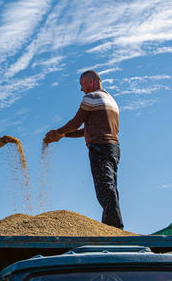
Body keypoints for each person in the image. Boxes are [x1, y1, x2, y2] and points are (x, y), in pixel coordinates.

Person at [44, 70, 124, 229]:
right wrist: (64, 135)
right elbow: (84, 131)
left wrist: (58, 132)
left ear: (91, 82)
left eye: (82, 85)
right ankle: (109, 227)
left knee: (105, 189)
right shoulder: (111, 101)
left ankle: (115, 228)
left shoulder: (91, 97)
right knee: (110, 187)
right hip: (113, 148)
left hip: (99, 148)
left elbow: (76, 122)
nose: (81, 89)